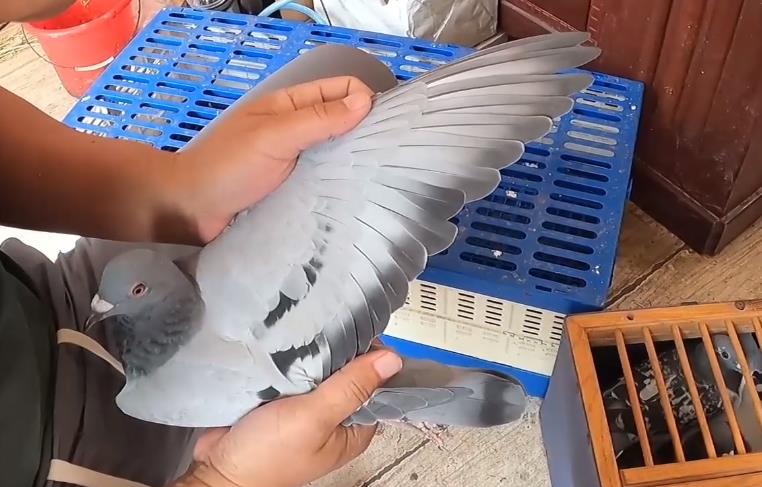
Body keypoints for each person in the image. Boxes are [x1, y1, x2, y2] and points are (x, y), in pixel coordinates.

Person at [0, 2, 403, 487]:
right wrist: (222, 478)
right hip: (81, 461)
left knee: (347, 86)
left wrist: (179, 191)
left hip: (56, 306)